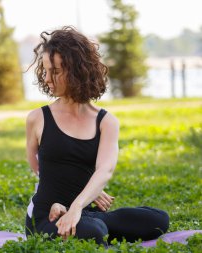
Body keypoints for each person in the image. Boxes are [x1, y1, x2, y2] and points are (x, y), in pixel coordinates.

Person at [25, 26, 169, 245]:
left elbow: (105, 169)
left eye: (55, 71)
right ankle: (78, 221)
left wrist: (80, 202)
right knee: (94, 231)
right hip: (45, 216)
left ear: (77, 71)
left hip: (83, 211)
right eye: (45, 70)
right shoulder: (38, 118)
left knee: (158, 219)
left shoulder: (106, 122)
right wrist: (66, 200)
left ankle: (81, 219)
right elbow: (36, 166)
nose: (47, 78)